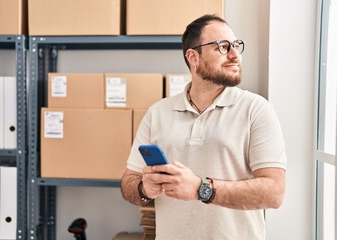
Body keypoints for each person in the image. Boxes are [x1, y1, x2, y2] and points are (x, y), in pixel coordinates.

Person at [120, 14, 286, 240]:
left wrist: (201, 188)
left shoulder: (256, 109)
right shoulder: (158, 113)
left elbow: (274, 192)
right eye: (222, 47)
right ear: (193, 57)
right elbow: (129, 182)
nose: (235, 55)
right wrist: (144, 189)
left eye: (236, 46)